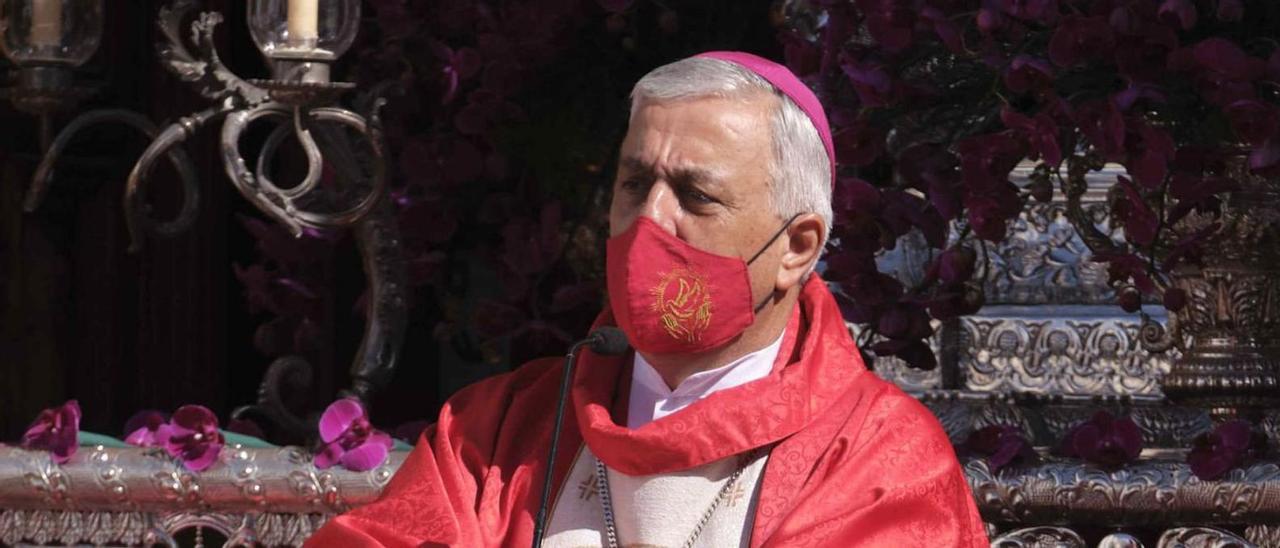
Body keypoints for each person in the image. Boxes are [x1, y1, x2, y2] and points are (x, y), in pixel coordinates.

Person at [306, 51, 988, 548]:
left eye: (695, 196)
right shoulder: (498, 429)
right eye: (635, 185)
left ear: (797, 247)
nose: (649, 223)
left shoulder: (879, 461)